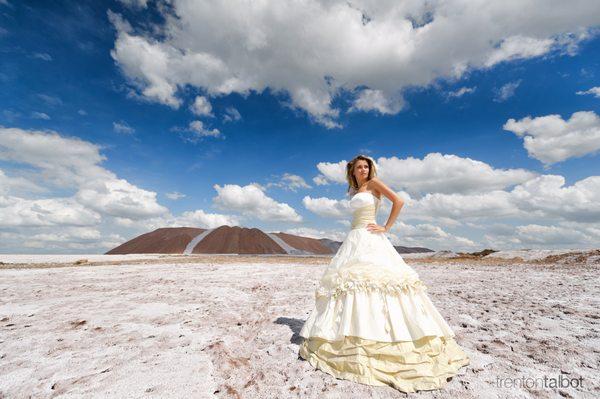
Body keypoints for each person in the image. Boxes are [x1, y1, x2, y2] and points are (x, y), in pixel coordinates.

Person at [298, 154, 470, 393]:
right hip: (354, 239)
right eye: (359, 167)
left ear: (370, 169)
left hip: (371, 237)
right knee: (352, 285)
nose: (363, 170)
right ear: (352, 171)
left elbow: (398, 201)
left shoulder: (374, 184)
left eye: (366, 166)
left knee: (380, 284)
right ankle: (354, 333)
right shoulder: (353, 191)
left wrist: (386, 227)